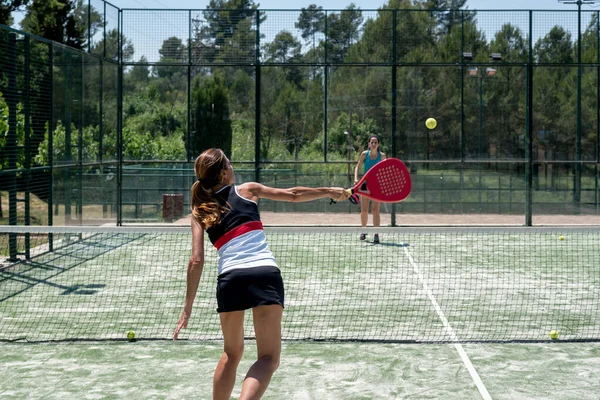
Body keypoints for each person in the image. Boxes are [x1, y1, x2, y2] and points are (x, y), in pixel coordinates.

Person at [173, 148, 349, 400]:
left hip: (230, 280)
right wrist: (330, 191)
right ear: (223, 174)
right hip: (264, 274)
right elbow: (294, 195)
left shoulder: (199, 212)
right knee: (268, 358)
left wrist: (187, 306)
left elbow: (196, 260)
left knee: (231, 354)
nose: (234, 169)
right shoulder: (247, 190)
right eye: (230, 165)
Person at [353, 135, 387, 244]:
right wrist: (356, 179)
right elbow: (357, 167)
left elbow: (385, 171)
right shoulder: (364, 154)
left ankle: (376, 234)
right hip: (364, 185)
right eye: (371, 142)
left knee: (375, 211)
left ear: (378, 144)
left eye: (375, 142)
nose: (373, 144)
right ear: (368, 144)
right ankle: (364, 231)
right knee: (364, 210)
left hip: (377, 186)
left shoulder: (382, 156)